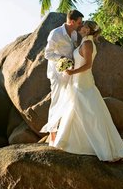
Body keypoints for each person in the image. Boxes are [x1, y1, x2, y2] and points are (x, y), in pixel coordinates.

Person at [52, 20, 123, 162]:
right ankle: (71, 142)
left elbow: (88, 65)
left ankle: (97, 146)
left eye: (85, 26)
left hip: (83, 81)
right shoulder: (84, 42)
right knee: (77, 108)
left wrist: (73, 71)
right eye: (83, 26)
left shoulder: (87, 44)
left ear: (89, 30)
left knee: (88, 111)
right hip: (78, 80)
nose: (82, 27)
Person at [40, 9, 84, 145]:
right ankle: (52, 135)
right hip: (57, 73)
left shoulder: (76, 33)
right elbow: (47, 54)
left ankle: (68, 132)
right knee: (57, 100)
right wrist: (63, 59)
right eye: (79, 22)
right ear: (71, 22)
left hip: (71, 71)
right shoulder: (56, 33)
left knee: (70, 99)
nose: (80, 25)